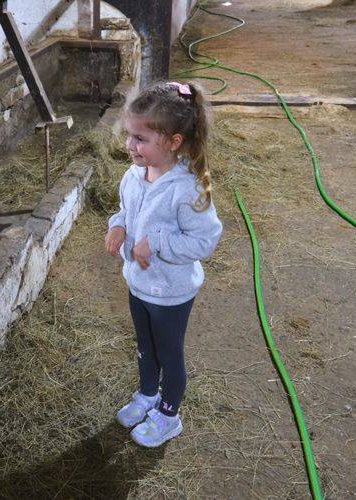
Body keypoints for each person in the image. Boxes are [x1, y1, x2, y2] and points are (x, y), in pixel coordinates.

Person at [104, 80, 223, 448]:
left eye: (140, 139)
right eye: (129, 135)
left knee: (169, 353)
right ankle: (147, 395)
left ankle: (169, 414)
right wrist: (118, 225)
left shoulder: (187, 190)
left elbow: (204, 241)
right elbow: (127, 210)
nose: (129, 145)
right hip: (138, 283)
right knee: (144, 345)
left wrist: (155, 242)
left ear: (173, 142)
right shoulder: (132, 176)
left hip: (171, 291)